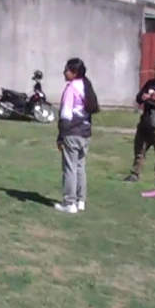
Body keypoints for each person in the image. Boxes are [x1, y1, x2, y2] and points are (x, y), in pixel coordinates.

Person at [54, 58, 99, 214]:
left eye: (66, 70)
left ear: (74, 72)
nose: (64, 72)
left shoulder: (72, 88)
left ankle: (69, 202)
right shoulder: (86, 86)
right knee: (80, 167)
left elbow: (66, 114)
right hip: (85, 132)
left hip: (73, 132)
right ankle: (81, 200)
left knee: (70, 168)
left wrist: (61, 135)